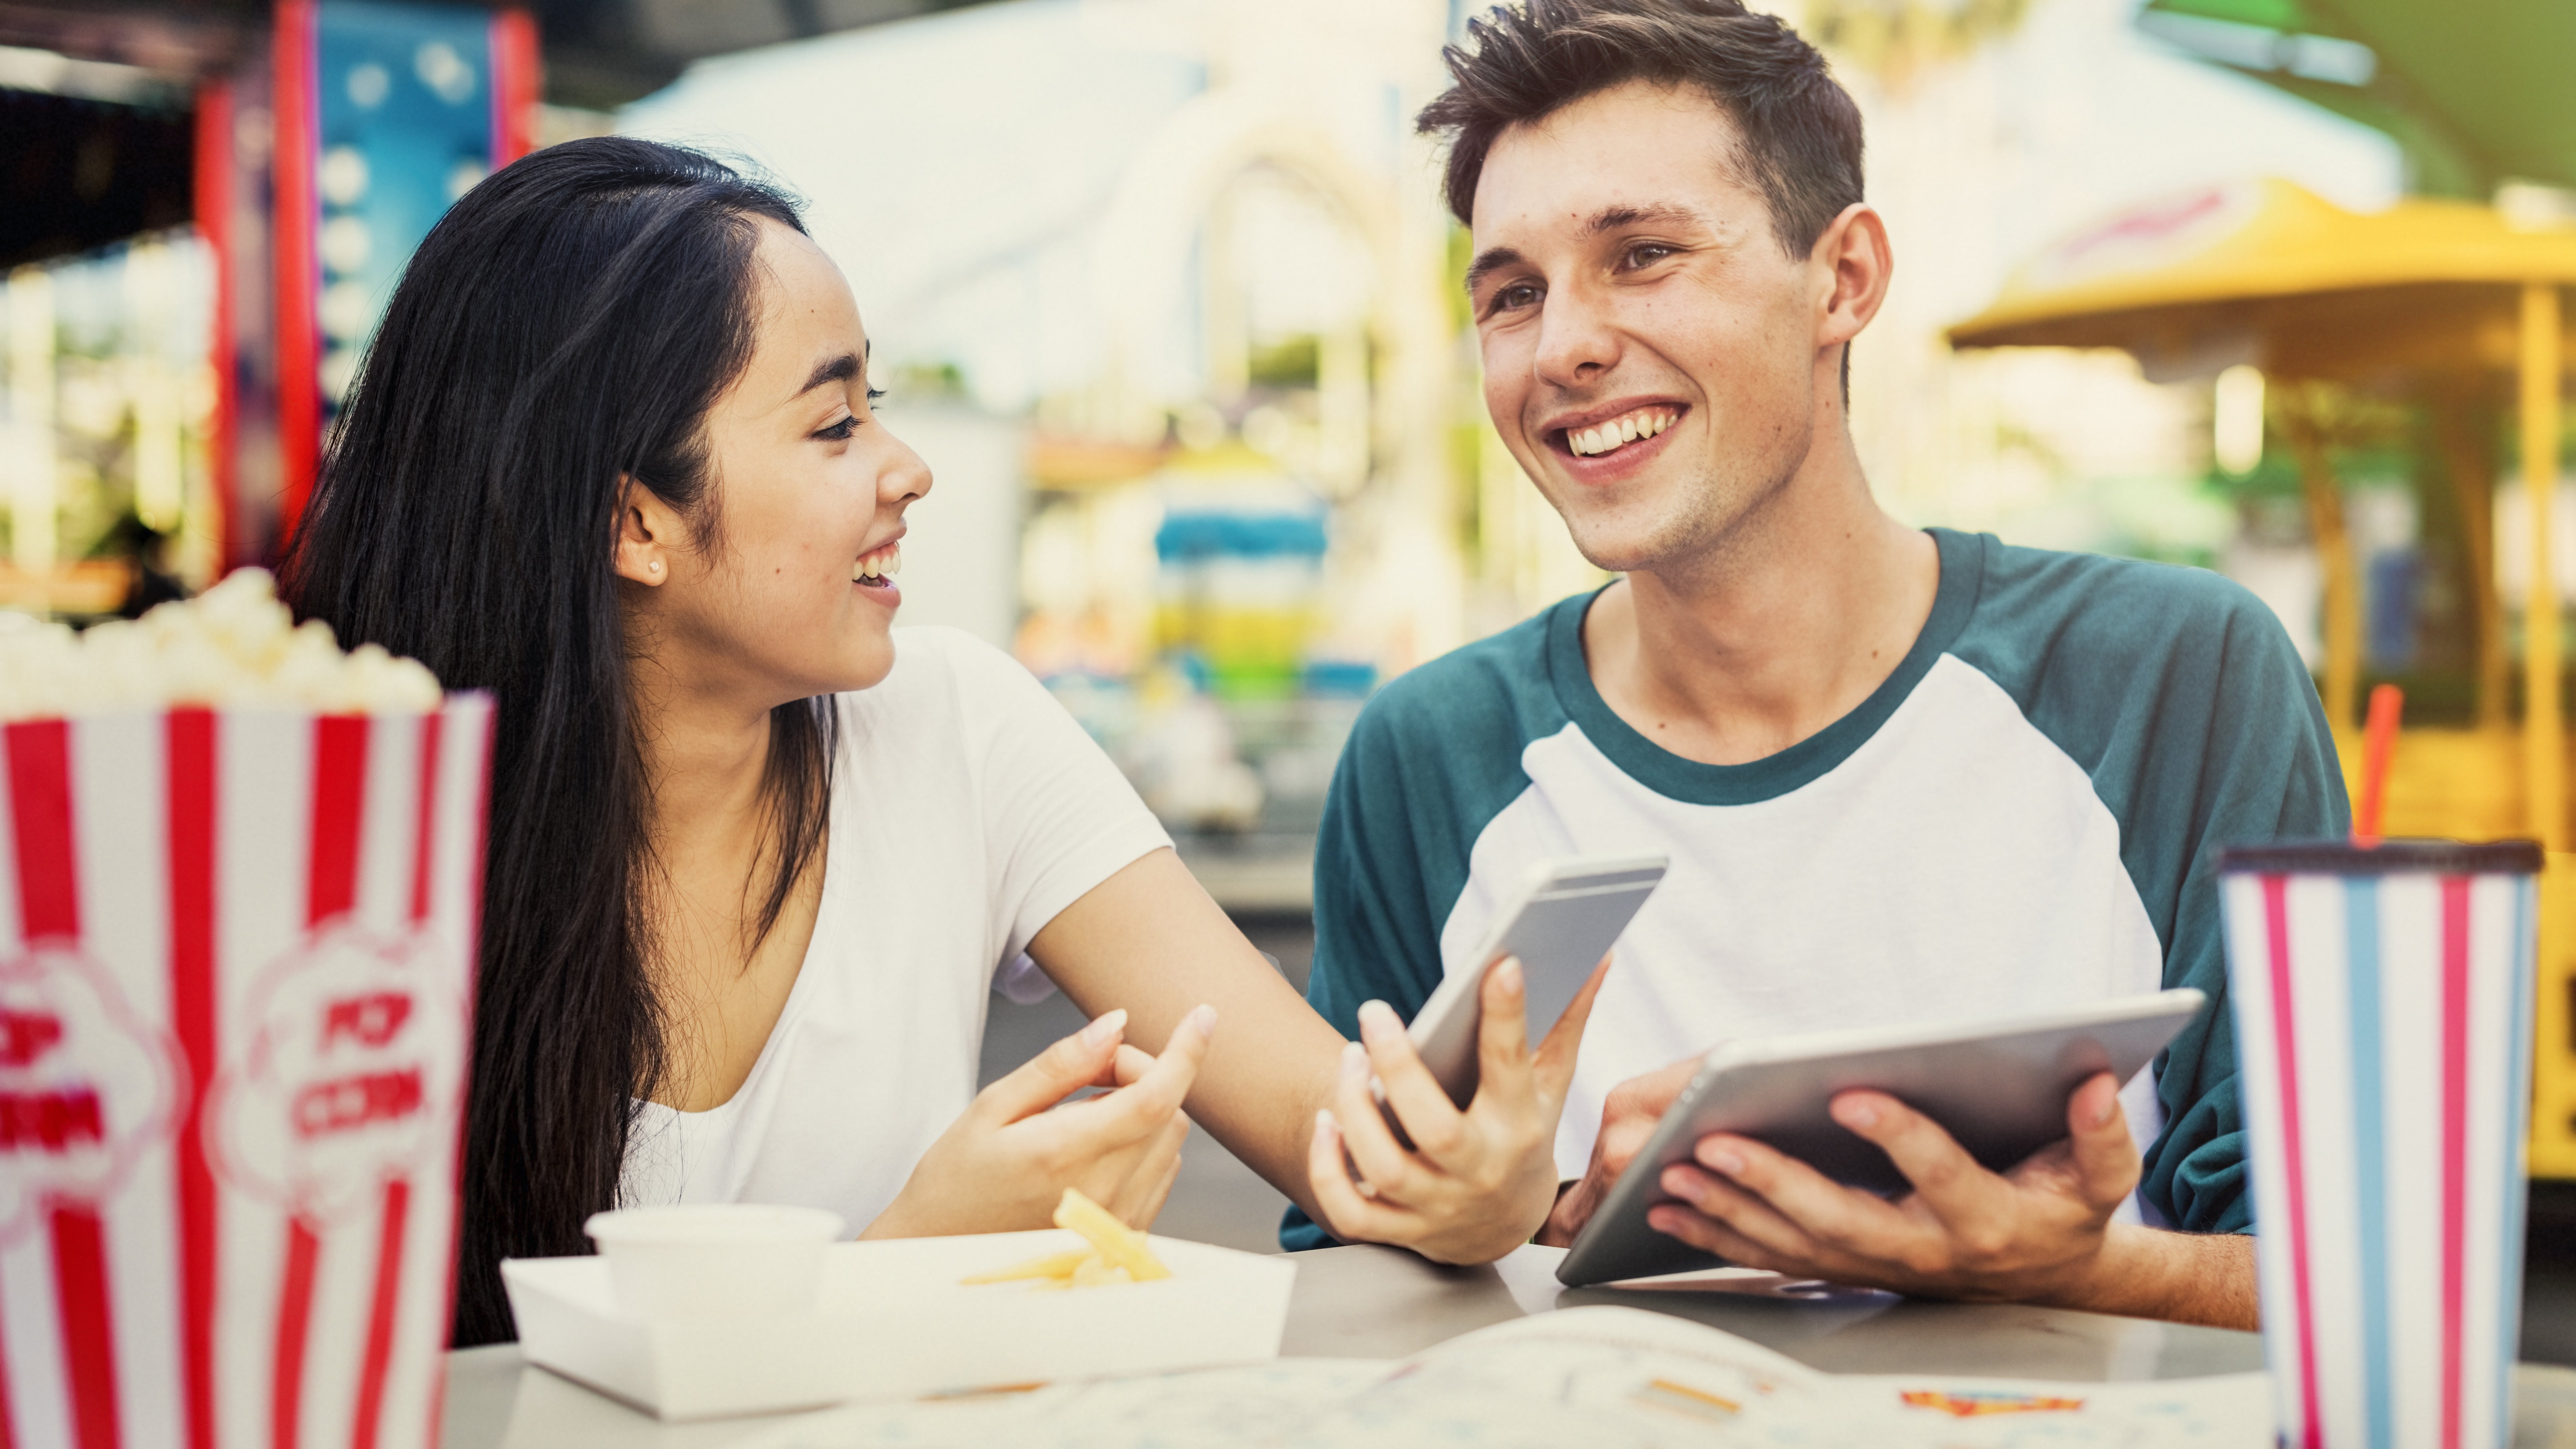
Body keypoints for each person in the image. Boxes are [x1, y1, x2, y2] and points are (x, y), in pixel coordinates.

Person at [283, 138, 1589, 1345]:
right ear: (634, 524)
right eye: (834, 422)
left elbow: (1352, 1148)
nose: (907, 467)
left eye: (881, 404)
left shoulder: (956, 725)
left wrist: (1496, 1178)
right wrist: (906, 1271)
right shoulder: (333, 855)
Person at [1286, 0, 2344, 1330]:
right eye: (1512, 294)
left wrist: (2066, 1268)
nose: (1561, 346)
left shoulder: (2170, 677)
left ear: (1841, 280)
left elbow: (2367, 1284)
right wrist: (1497, 1224)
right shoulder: (1429, 753)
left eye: (1644, 253)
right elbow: (1336, 1297)